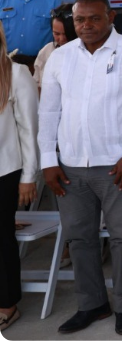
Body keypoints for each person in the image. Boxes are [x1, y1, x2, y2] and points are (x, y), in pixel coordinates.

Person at [37, 0, 122, 335]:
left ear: (111, 17)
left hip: (119, 165)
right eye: (79, 20)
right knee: (80, 239)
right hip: (70, 166)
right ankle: (92, 304)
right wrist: (49, 160)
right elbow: (48, 113)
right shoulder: (60, 57)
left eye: (93, 19)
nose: (86, 25)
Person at [0, 26, 39, 332]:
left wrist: (29, 176)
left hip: (5, 171)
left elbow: (29, 129)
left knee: (1, 241)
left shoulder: (14, 73)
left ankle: (7, 303)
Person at [33, 4, 76, 88]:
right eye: (56, 34)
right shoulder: (46, 51)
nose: (62, 38)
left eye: (66, 33)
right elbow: (37, 84)